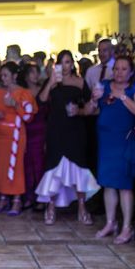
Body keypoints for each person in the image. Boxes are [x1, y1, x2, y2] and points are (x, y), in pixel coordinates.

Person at [35, 50, 100, 224]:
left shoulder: (80, 82)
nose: (65, 66)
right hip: (56, 129)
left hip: (75, 130)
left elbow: (90, 107)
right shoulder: (53, 82)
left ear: (72, 64)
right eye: (62, 62)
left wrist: (79, 109)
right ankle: (51, 206)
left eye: (68, 62)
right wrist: (50, 82)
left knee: (79, 168)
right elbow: (40, 101)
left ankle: (81, 207)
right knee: (54, 167)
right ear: (57, 64)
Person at [90, 55, 135, 243]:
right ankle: (110, 222)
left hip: (124, 140)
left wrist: (122, 96)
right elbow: (94, 110)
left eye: (124, 69)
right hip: (106, 140)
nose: (119, 72)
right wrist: (93, 100)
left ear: (131, 71)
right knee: (107, 183)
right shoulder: (104, 85)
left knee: (124, 185)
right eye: (116, 69)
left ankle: (127, 227)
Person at [0, 61, 37, 215]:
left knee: (16, 166)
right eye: (1, 75)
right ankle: (2, 197)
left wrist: (15, 105)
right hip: (0, 137)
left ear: (15, 76)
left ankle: (16, 199)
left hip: (16, 136)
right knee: (1, 167)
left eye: (6, 75)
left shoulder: (24, 93)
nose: (3, 78)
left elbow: (29, 116)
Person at [18, 63, 48, 211]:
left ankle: (41, 198)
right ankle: (29, 197)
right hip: (25, 130)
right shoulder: (22, 92)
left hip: (40, 131)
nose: (36, 75)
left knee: (39, 165)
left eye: (37, 72)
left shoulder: (44, 89)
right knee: (26, 165)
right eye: (33, 72)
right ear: (26, 75)